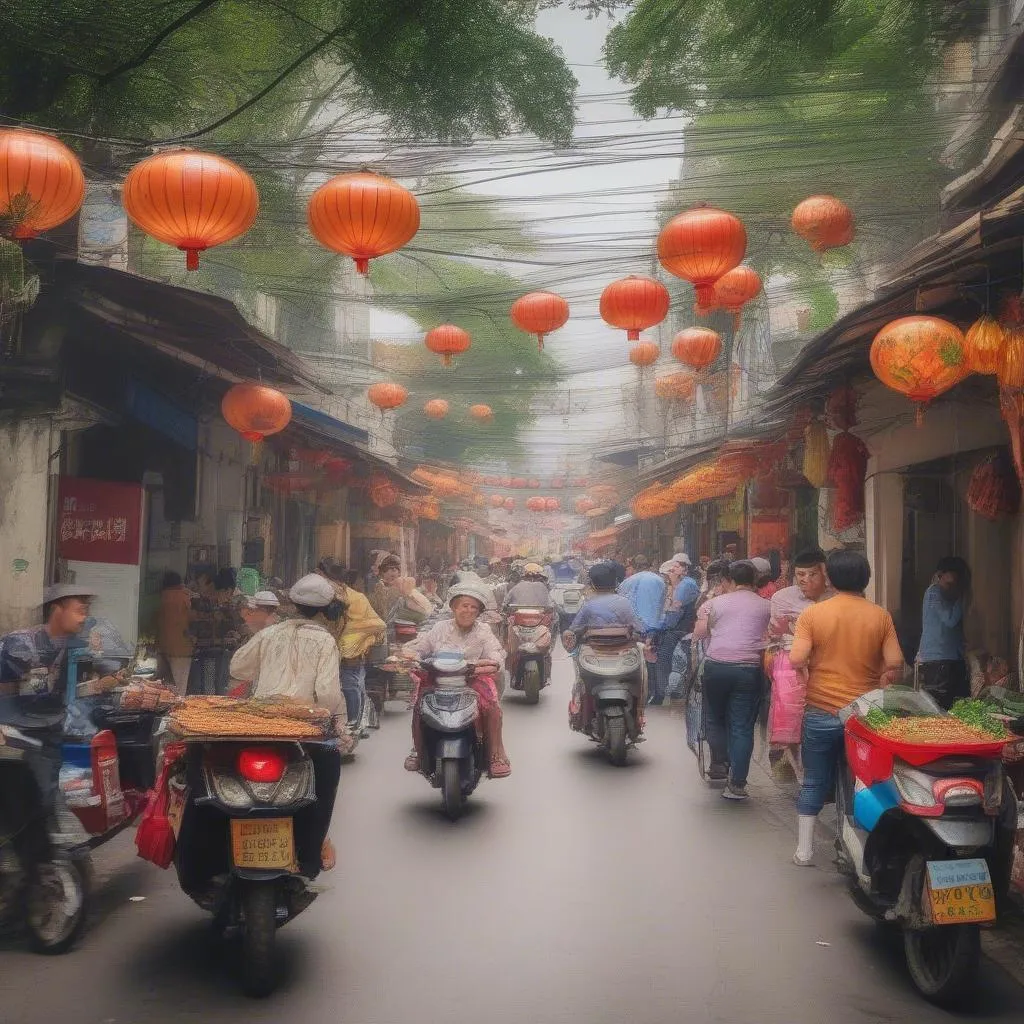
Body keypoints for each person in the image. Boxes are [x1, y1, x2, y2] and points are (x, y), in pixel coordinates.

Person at [789, 550, 903, 866]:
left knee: (814, 780)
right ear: (865, 578)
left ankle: (804, 851)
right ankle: (856, 849)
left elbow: (796, 658)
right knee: (863, 781)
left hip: (821, 711)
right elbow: (895, 663)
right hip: (863, 715)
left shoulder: (813, 615)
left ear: (830, 578)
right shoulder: (880, 616)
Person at [229, 574, 347, 872]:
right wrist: (320, 714)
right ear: (326, 610)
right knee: (328, 768)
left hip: (262, 724)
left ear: (292, 604)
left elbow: (238, 668)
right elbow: (329, 694)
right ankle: (309, 857)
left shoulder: (270, 633)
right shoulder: (324, 640)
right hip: (303, 731)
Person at [0, 584, 99, 831]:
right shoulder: (20, 644)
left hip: (52, 733)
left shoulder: (73, 647)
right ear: (57, 609)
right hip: (17, 737)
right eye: (79, 610)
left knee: (48, 801)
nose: (84, 617)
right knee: (26, 806)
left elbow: (66, 691)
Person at [402, 581, 511, 778]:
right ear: (454, 607)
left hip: (472, 679)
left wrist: (493, 661)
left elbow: (495, 653)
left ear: (478, 612)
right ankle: (418, 751)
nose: (468, 611)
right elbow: (421, 647)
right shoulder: (439, 628)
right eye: (464, 606)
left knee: (493, 708)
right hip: (437, 680)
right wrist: (409, 654)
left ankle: (495, 755)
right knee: (419, 706)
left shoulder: (483, 630)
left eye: (473, 607)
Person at [691, 560, 771, 801]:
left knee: (715, 718)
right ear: (755, 581)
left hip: (717, 666)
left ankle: (720, 764)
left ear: (729, 581)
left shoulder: (713, 603)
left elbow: (699, 633)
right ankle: (737, 784)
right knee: (742, 726)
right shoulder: (766, 605)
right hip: (749, 668)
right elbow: (775, 632)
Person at [765, 549, 831, 775]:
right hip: (791, 668)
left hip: (827, 666)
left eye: (812, 574)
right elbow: (776, 634)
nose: (805, 580)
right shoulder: (782, 598)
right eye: (801, 574)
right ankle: (802, 772)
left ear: (824, 573)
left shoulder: (836, 598)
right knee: (792, 723)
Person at [316, 557, 386, 730]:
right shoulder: (324, 596)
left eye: (321, 576)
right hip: (328, 647)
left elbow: (377, 624)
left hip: (349, 650)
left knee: (350, 684)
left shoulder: (355, 598)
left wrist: (352, 637)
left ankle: (355, 722)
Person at [917, 556, 971, 710]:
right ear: (940, 575)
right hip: (938, 661)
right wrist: (962, 599)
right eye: (951, 582)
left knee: (956, 706)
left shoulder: (946, 596)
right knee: (939, 708)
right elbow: (950, 620)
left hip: (950, 659)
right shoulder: (934, 593)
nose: (953, 585)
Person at [650, 559, 698, 705]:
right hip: (679, 628)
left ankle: (661, 694)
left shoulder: (685, 585)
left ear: (683, 570)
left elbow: (674, 612)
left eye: (674, 569)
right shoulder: (676, 586)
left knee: (664, 660)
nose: (671, 573)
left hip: (678, 629)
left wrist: (659, 626)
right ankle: (668, 692)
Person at [157, 571, 194, 694]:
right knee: (180, 686)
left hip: (162, 647)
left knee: (164, 686)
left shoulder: (160, 597)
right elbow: (191, 619)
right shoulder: (184, 596)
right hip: (182, 648)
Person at [618, 555, 666, 633]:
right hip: (658, 626)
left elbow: (622, 604)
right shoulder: (659, 579)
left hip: (636, 628)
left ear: (634, 567)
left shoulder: (627, 582)